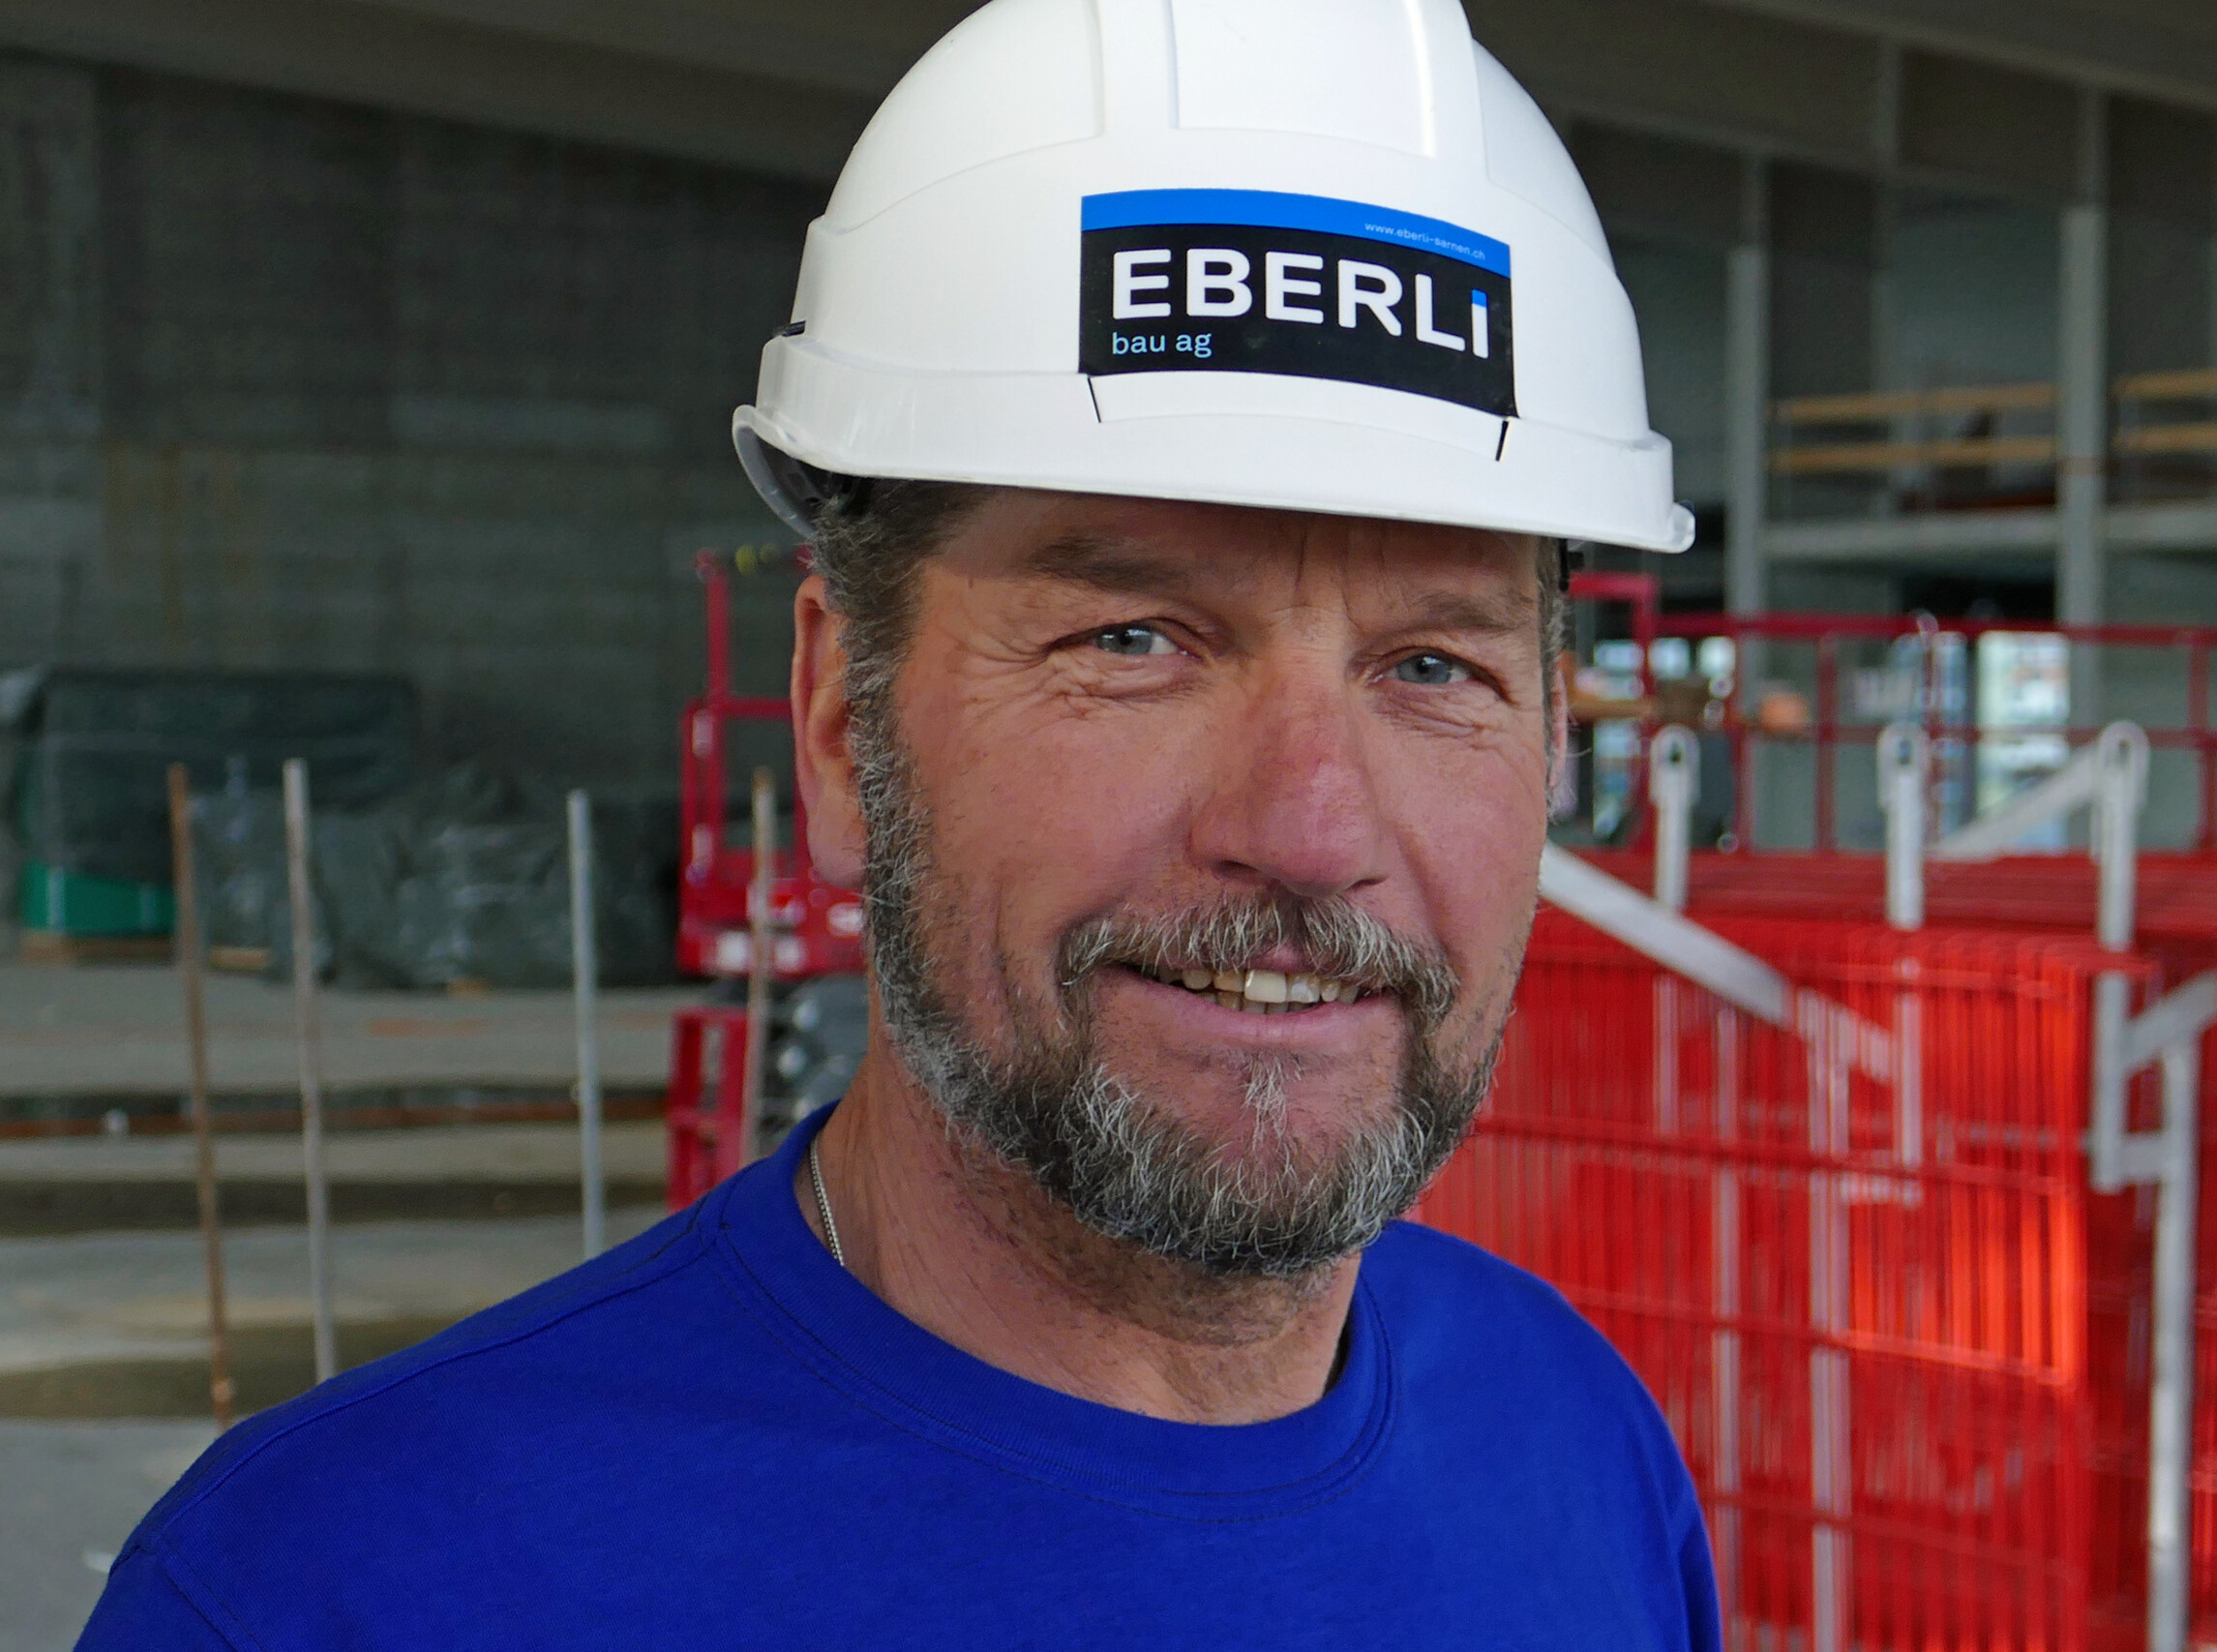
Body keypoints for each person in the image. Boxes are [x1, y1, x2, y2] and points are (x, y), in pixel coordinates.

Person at [81, 1, 1716, 1645]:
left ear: (1556, 731)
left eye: (1432, 664)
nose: (1306, 826)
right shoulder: (336, 1592)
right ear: (839, 726)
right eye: (1130, 640)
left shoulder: (1576, 1443)